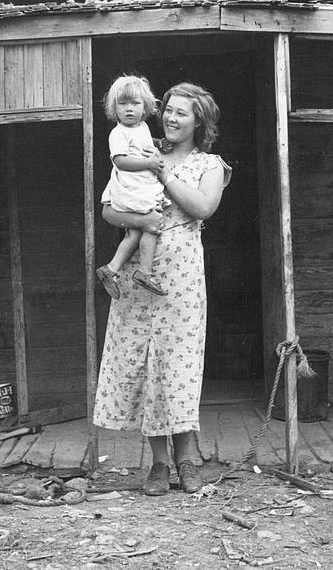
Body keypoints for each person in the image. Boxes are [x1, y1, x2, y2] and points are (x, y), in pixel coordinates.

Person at [93, 82, 231, 496]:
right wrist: (135, 218)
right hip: (139, 276)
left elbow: (203, 207)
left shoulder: (210, 164)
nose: (170, 118)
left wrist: (163, 172)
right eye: (168, 109)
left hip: (182, 280)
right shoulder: (139, 153)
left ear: (199, 121)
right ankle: (157, 466)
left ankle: (187, 461)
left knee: (179, 366)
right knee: (145, 366)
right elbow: (107, 208)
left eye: (181, 113)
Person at [95, 74, 168, 297]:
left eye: (135, 104)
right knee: (152, 224)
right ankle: (144, 271)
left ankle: (111, 269)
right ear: (113, 108)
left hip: (139, 185)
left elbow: (143, 143)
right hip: (130, 188)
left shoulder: (142, 127)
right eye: (123, 103)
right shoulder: (117, 133)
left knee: (135, 233)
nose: (129, 109)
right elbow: (120, 161)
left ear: (145, 106)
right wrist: (150, 162)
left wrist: (159, 143)